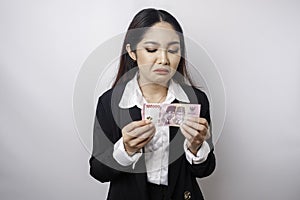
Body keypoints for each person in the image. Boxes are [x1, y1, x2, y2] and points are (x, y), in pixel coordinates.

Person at [89, 8, 215, 200]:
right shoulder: (110, 102)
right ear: (132, 52)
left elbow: (205, 170)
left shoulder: (196, 100)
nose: (164, 59)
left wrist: (196, 147)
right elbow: (98, 171)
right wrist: (126, 148)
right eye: (151, 49)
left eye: (173, 50)